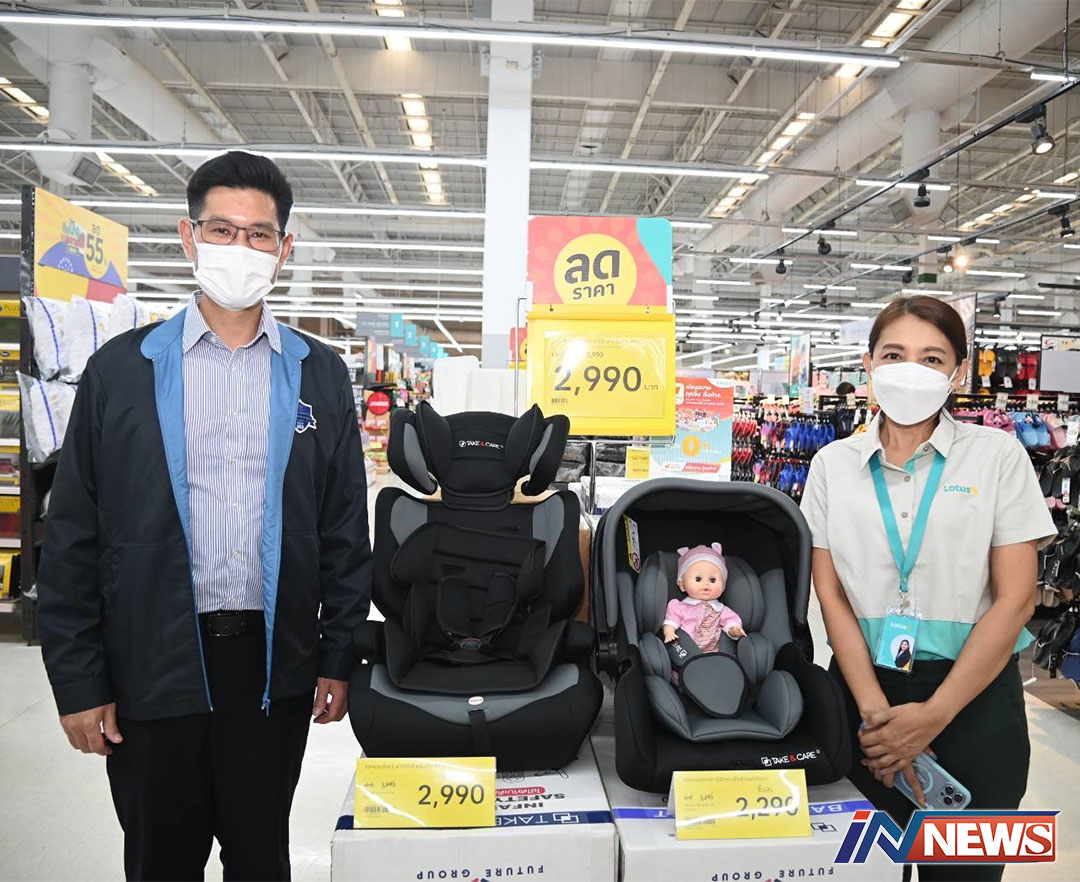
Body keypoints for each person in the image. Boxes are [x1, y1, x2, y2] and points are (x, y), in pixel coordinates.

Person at [37, 151, 372, 881]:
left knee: (260, 858)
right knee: (161, 860)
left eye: (259, 234)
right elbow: (71, 537)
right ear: (189, 238)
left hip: (271, 664)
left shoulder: (317, 373)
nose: (239, 248)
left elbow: (345, 528)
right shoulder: (121, 371)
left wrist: (338, 654)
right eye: (222, 229)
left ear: (284, 249)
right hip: (151, 656)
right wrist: (79, 680)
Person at [801, 295, 1055, 882]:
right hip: (864, 700)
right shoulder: (832, 465)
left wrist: (933, 716)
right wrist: (877, 717)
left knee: (966, 873)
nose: (910, 370)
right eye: (894, 354)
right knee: (862, 869)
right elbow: (830, 595)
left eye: (932, 357)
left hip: (975, 700)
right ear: (869, 363)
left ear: (958, 372)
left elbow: (1016, 598)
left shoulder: (998, 457)